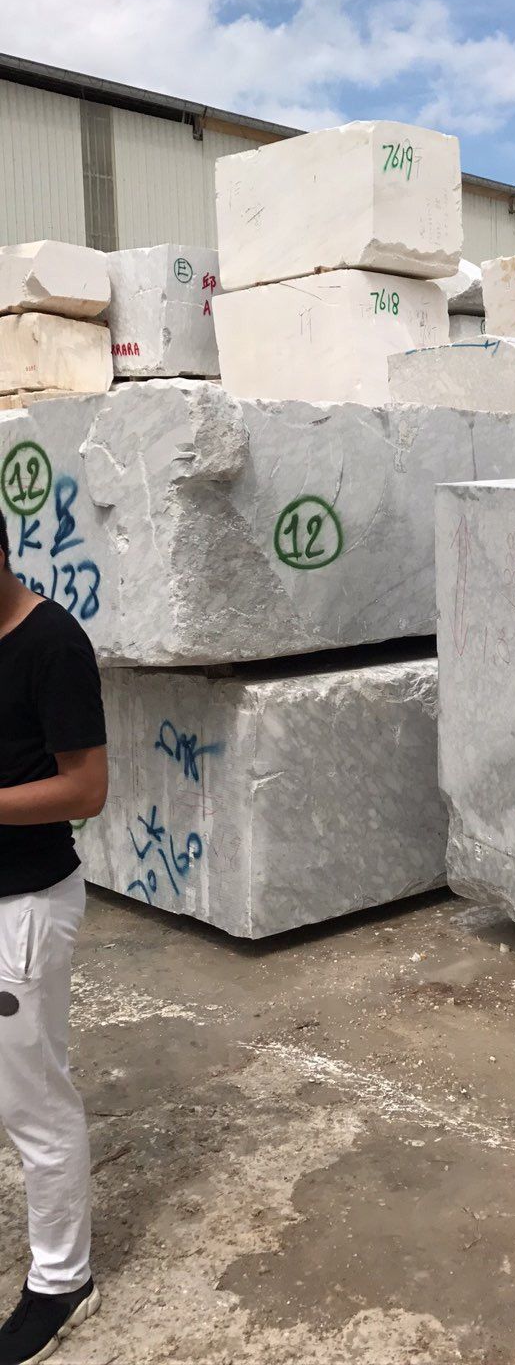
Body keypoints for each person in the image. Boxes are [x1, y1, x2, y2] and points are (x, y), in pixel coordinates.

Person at [0, 505, 108, 1365]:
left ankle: (63, 1280)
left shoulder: (53, 644)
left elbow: (86, 789)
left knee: (33, 1101)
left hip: (24, 906)